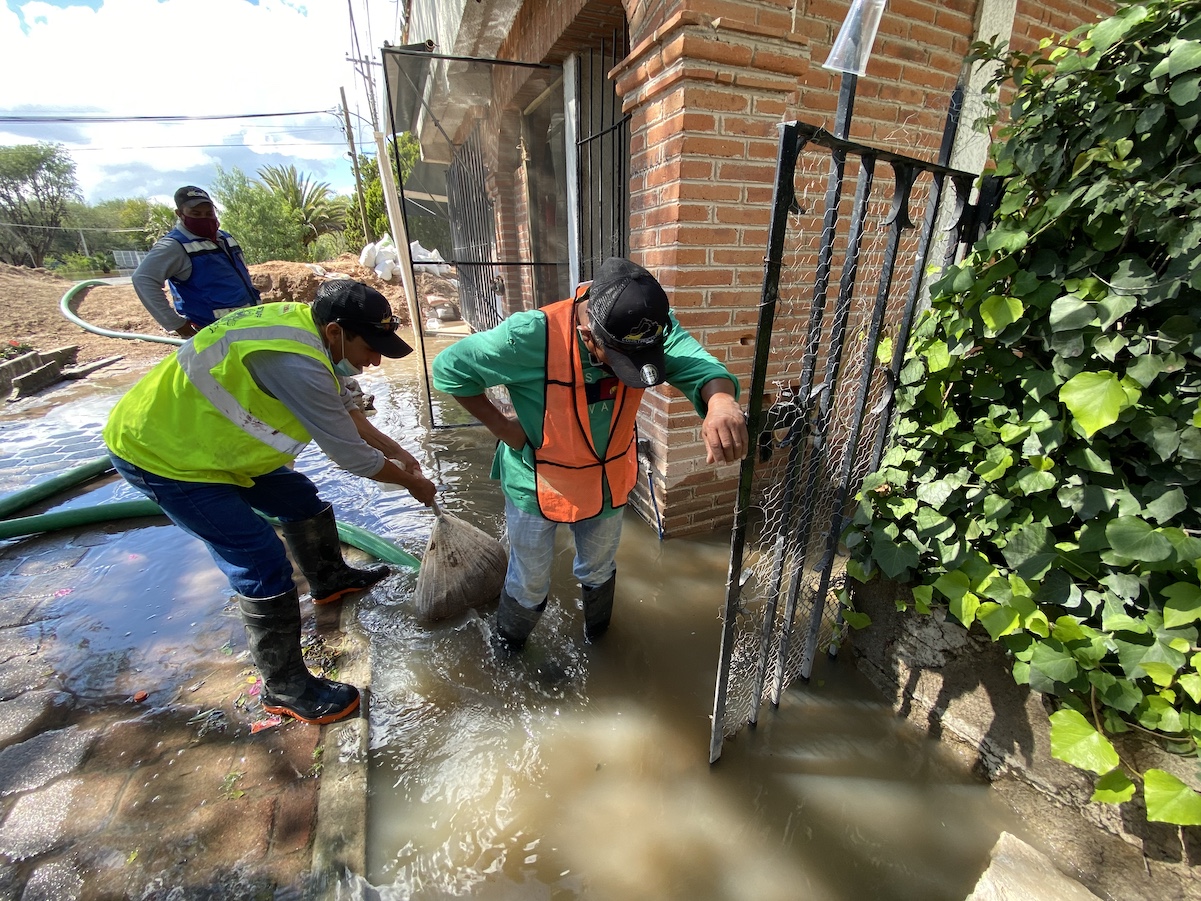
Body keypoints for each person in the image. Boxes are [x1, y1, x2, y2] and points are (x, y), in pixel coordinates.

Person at [103, 280, 437, 724]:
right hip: (166, 455)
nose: (374, 360)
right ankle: (285, 688)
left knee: (299, 498)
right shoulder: (295, 361)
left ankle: (330, 579)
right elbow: (351, 456)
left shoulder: (311, 333)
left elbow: (350, 413)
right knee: (260, 559)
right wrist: (411, 484)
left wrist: (397, 452)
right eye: (370, 346)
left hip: (215, 447)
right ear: (336, 332)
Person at [431, 256, 748, 654]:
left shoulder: (648, 328)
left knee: (598, 569)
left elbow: (701, 366)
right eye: (617, 362)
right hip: (536, 482)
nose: (623, 372)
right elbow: (449, 369)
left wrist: (720, 401)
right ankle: (509, 650)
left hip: (607, 484)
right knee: (530, 581)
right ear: (586, 332)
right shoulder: (531, 335)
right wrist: (505, 429)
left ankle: (599, 646)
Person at [131, 185, 261, 338]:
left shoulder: (225, 238)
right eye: (196, 214)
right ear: (180, 214)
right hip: (211, 332)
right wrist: (175, 323)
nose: (204, 218)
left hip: (247, 324)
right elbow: (143, 279)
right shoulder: (174, 245)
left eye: (209, 213)